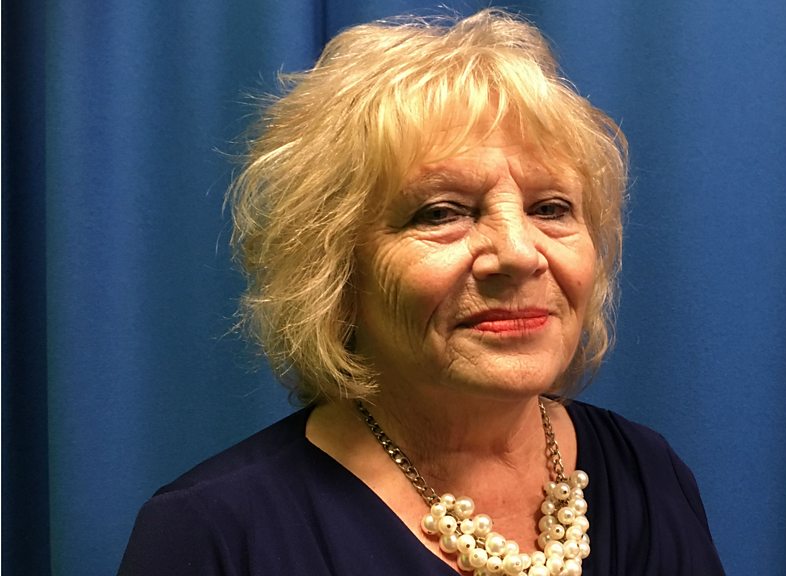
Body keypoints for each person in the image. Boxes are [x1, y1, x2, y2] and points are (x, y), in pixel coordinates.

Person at [119, 9, 724, 576]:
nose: (518, 253)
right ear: (334, 272)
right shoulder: (213, 536)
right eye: (442, 212)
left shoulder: (651, 477)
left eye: (551, 208)